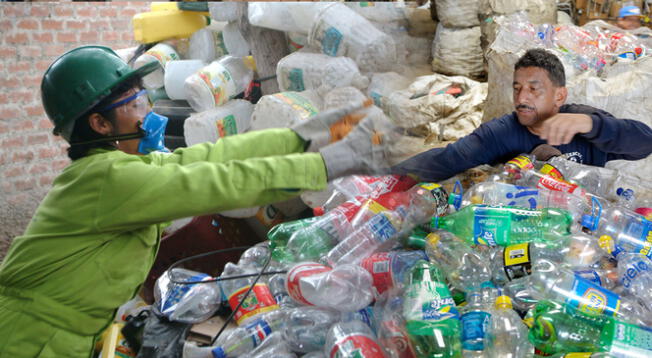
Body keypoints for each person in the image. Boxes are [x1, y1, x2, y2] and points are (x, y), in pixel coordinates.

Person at [0, 46, 389, 357]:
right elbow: (215, 183)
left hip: (58, 334)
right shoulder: (107, 179)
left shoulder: (116, 167)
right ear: (100, 124)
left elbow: (211, 158)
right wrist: (325, 163)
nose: (148, 115)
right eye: (135, 106)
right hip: (28, 339)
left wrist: (301, 136)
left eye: (143, 101)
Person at [393, 48, 652, 182]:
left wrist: (590, 124)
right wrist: (384, 179)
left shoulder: (584, 122)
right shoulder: (502, 132)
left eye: (533, 90)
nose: (522, 98)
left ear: (559, 96)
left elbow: (644, 143)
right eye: (517, 89)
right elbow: (447, 159)